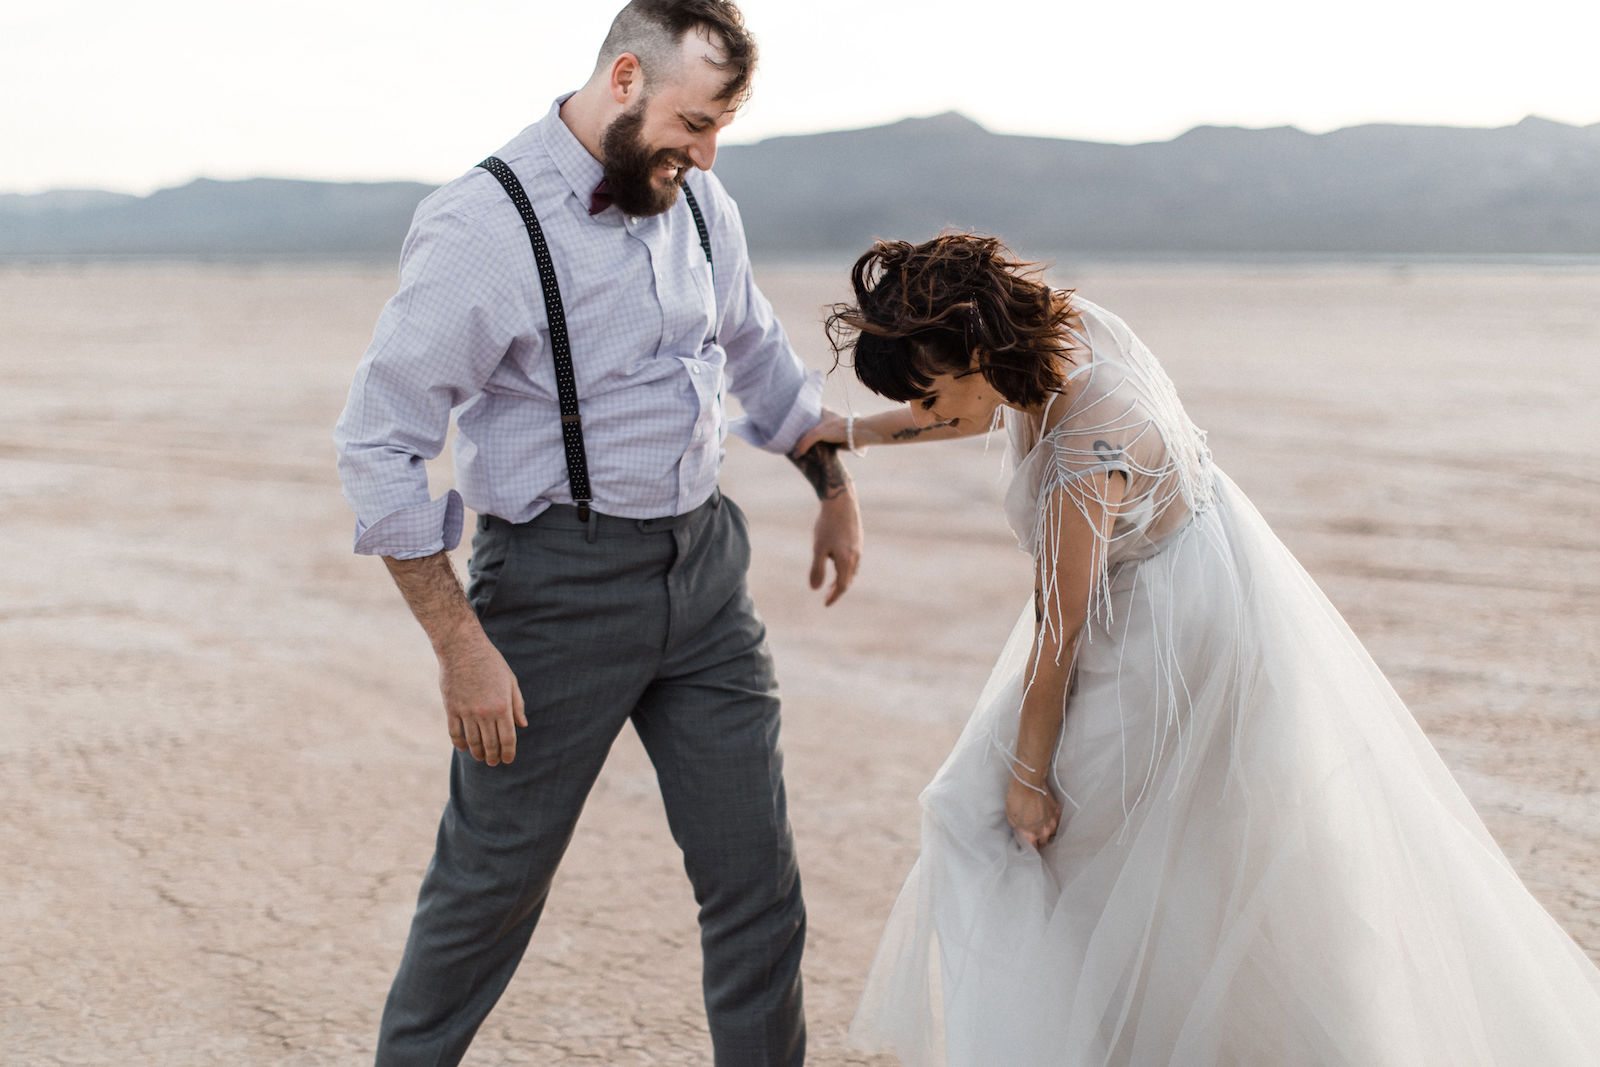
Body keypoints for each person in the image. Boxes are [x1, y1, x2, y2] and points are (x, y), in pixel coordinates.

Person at [800, 233, 1600, 1065]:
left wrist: (1029, 780)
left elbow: (1060, 626)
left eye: (928, 393)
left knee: (1014, 827)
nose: (928, 414)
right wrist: (848, 430)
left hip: (1170, 632)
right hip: (1172, 582)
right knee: (1129, 854)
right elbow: (973, 408)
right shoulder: (1053, 336)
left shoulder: (1087, 449)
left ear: (974, 350)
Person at [333, 3, 862, 1063]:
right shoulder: (485, 225)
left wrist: (829, 480)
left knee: (758, 884)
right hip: (551, 591)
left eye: (720, 129)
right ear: (624, 78)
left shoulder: (702, 202)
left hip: (705, 574)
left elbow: (758, 358)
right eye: (693, 122)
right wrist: (459, 644)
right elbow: (378, 445)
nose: (707, 154)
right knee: (488, 888)